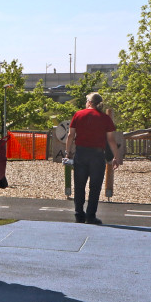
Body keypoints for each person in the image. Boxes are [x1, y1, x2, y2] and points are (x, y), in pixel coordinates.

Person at [65, 92, 122, 225]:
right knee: (95, 187)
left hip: (81, 153)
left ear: (89, 103)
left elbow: (70, 135)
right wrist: (116, 156)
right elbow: (111, 139)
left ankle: (79, 214)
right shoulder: (105, 118)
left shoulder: (78, 114)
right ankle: (91, 216)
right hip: (97, 155)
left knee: (79, 185)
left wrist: (68, 152)